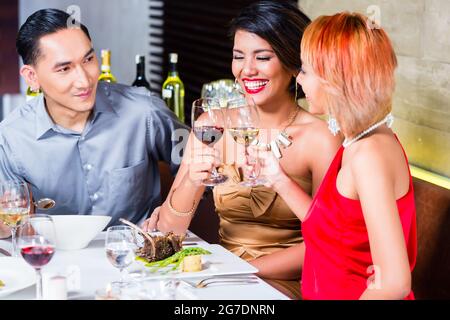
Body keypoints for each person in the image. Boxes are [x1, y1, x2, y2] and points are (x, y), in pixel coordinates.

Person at [142, 1, 342, 299]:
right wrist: (191, 181)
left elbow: (331, 241)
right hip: (217, 279)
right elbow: (170, 235)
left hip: (283, 283)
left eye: (262, 57)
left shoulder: (320, 138)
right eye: (239, 57)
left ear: (291, 63)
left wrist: (238, 269)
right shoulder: (213, 124)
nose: (247, 70)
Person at [253, 12, 417, 299]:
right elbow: (333, 230)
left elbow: (394, 283)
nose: (299, 81)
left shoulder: (370, 154)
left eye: (305, 70)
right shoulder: (357, 140)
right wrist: (277, 179)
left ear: (334, 80)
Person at [0, 8, 188, 238]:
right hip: (55, 263)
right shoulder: (12, 138)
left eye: (88, 59)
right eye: (65, 68)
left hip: (139, 261)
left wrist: (171, 209)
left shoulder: (143, 112)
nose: (84, 80)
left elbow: (199, 167)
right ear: (32, 77)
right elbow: (9, 225)